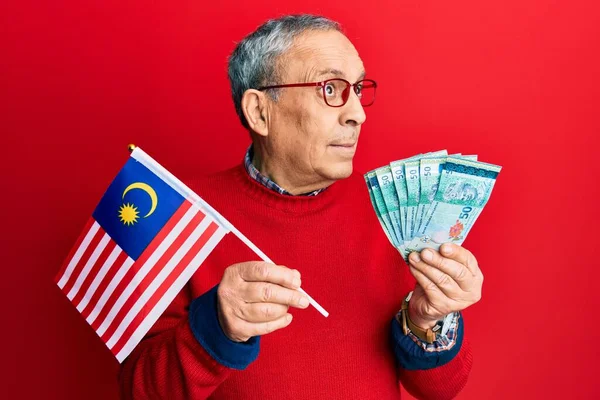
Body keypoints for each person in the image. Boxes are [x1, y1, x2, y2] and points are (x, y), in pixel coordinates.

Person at [119, 14, 483, 400]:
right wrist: (216, 327)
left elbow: (441, 389)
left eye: (357, 89)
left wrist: (428, 320)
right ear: (260, 112)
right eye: (330, 88)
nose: (357, 113)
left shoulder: (392, 208)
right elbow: (141, 392)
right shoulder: (179, 216)